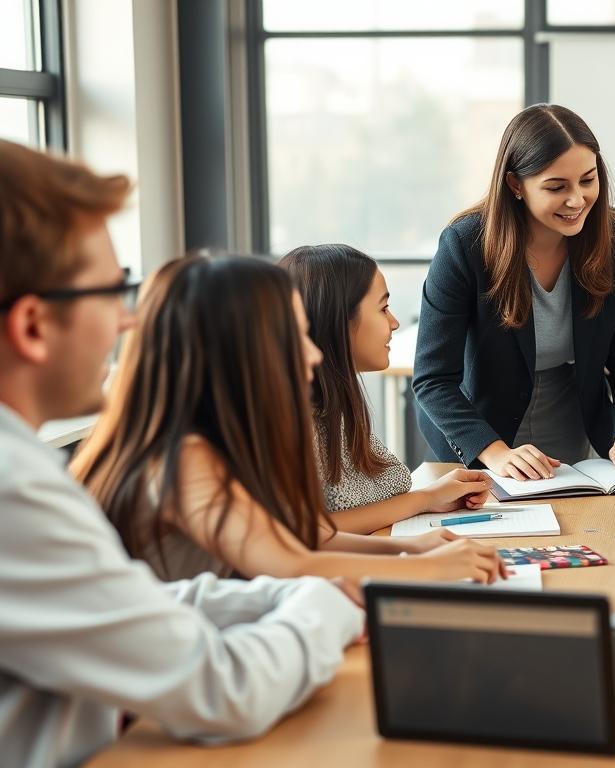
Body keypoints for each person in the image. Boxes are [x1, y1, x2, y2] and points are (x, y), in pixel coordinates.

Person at [0, 139, 362, 767]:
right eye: (112, 292)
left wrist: (289, 597)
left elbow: (129, 603)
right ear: (33, 326)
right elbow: (226, 690)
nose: (126, 323)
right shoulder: (14, 488)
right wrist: (324, 606)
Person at [72, 255, 507, 585]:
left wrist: (411, 548)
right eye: (295, 336)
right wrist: (421, 567)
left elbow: (304, 533)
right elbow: (292, 562)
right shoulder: (184, 456)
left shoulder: (223, 436)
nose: (314, 352)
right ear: (240, 349)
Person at [414, 104, 615, 481]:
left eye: (587, 180)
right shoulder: (465, 245)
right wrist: (495, 452)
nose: (577, 200)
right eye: (556, 187)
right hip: (479, 417)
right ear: (515, 184)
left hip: (567, 405)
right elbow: (432, 379)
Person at [280, 244, 490, 534]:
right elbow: (309, 531)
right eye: (383, 308)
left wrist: (429, 498)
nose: (394, 322)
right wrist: (424, 500)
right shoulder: (292, 422)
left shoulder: (335, 408)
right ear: (337, 321)